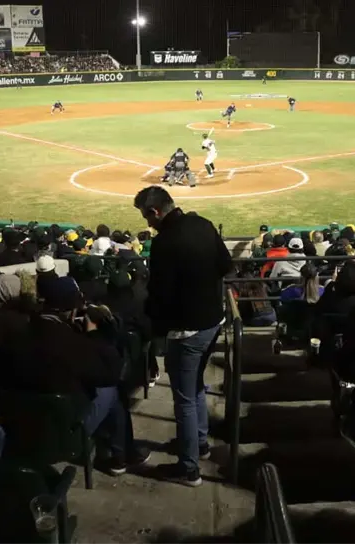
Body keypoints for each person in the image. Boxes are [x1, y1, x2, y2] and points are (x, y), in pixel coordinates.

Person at [0, 276, 150, 473]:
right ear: (73, 309)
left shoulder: (15, 333)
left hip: (17, 428)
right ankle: (120, 454)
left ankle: (118, 453)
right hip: (62, 436)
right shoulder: (70, 343)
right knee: (111, 390)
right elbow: (110, 373)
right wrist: (94, 334)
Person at [133, 186, 231, 486]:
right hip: (213, 322)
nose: (148, 224)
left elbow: (159, 296)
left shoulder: (164, 243)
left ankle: (189, 468)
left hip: (187, 330)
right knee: (195, 387)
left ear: (155, 212)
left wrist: (156, 330)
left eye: (147, 217)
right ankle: (198, 444)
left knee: (185, 399)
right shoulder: (202, 223)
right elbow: (226, 265)